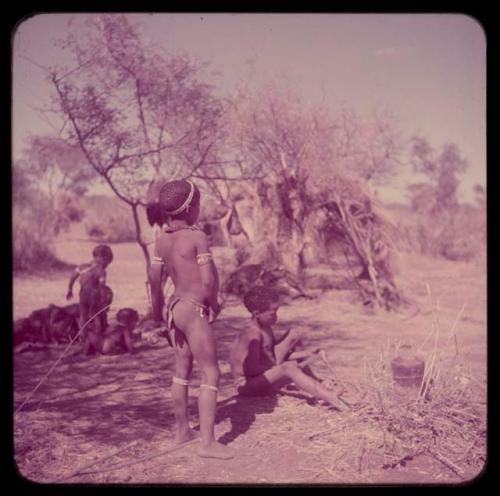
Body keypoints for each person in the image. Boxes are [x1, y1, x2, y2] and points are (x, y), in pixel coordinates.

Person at [149, 179, 233, 460]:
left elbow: (154, 281)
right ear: (190, 208)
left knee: (181, 371)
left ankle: (183, 431)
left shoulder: (161, 240)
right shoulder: (197, 237)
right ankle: (208, 444)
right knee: (211, 373)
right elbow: (208, 279)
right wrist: (214, 303)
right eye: (198, 205)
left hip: (175, 310)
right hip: (195, 309)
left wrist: (156, 316)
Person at [229, 286, 349, 411]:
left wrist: (307, 353)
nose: (276, 316)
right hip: (247, 385)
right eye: (273, 313)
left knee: (293, 334)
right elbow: (252, 370)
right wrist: (282, 370)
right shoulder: (252, 333)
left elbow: (271, 356)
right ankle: (330, 397)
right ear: (257, 314)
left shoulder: (264, 326)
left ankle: (313, 382)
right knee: (289, 367)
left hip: (262, 374)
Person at [66, 245, 114, 340]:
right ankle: (97, 337)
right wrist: (104, 299)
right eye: (107, 262)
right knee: (96, 316)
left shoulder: (82, 267)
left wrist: (70, 289)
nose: (107, 265)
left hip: (83, 295)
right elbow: (101, 287)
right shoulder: (101, 271)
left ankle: (83, 338)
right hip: (94, 297)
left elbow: (72, 277)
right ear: (103, 258)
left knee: (83, 316)